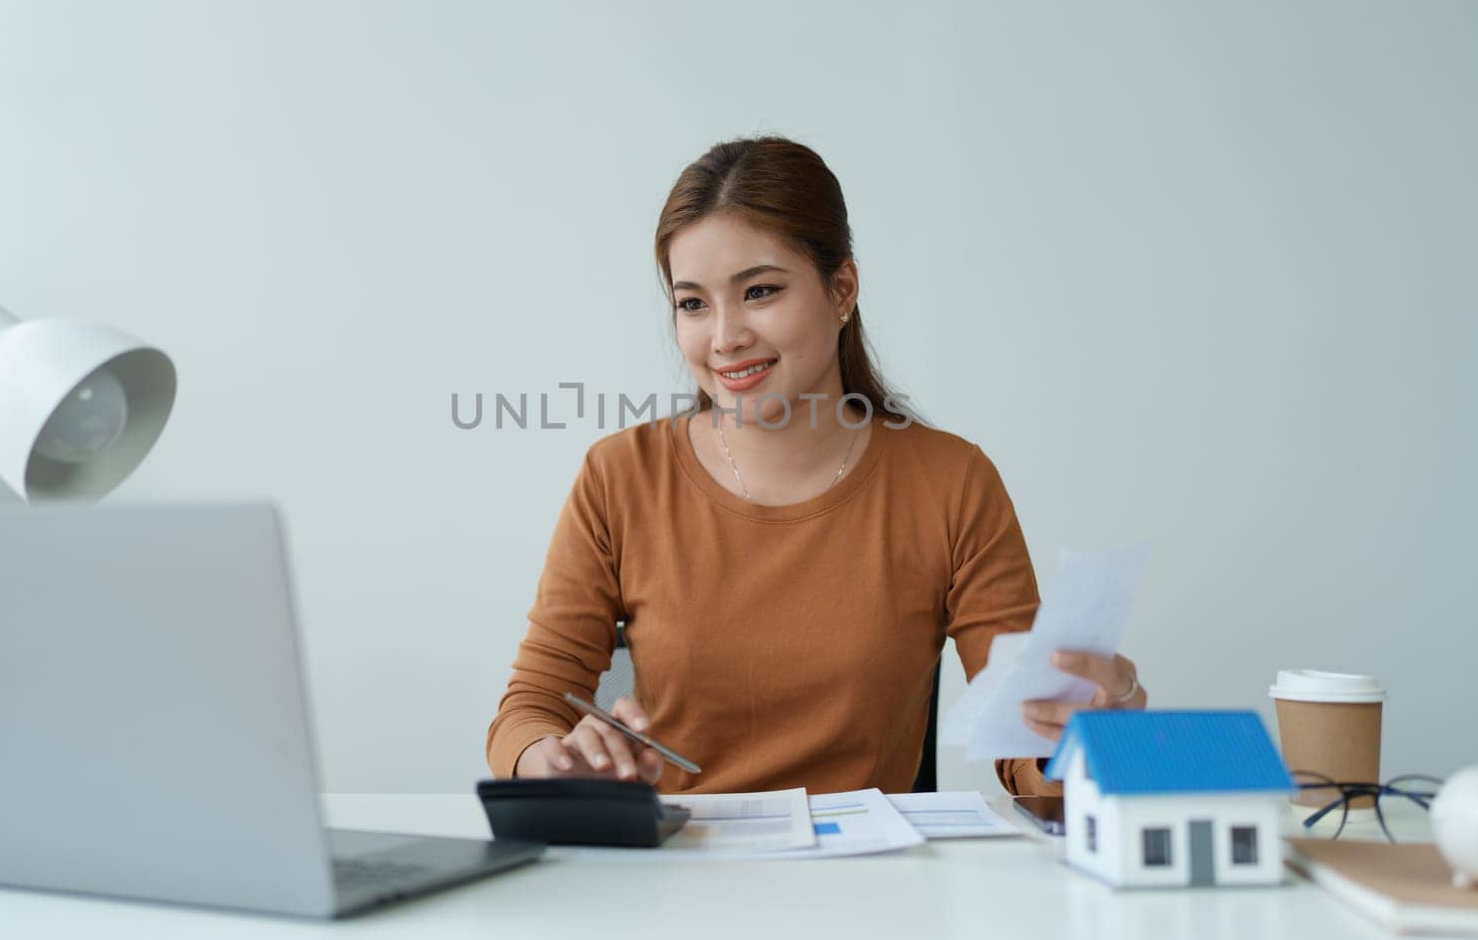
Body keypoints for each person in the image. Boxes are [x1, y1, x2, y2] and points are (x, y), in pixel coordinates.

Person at [486, 136, 1146, 795]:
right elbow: (528, 710)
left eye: (761, 291)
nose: (724, 337)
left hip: (876, 885)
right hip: (679, 878)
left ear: (842, 289)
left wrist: (1085, 742)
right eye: (693, 303)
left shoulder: (951, 484)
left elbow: (1028, 755)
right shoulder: (620, 478)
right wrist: (554, 757)